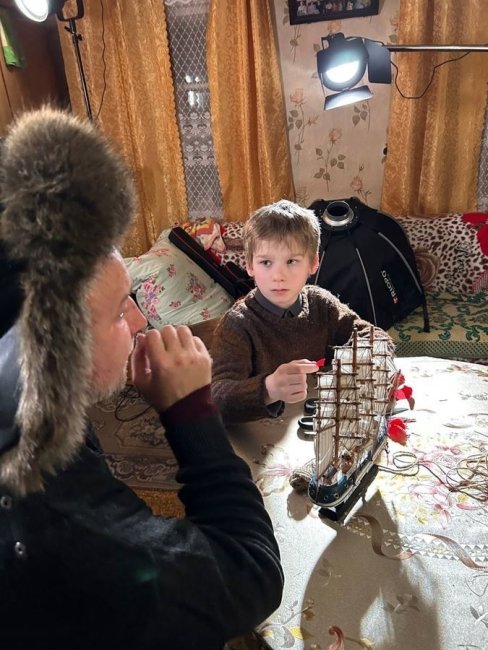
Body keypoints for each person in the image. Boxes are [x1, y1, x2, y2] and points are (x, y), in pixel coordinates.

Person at [0, 107, 283, 649]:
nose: (137, 320)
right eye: (116, 312)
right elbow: (248, 574)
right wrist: (192, 411)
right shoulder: (55, 522)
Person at [211, 199, 392, 424]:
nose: (278, 276)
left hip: (319, 425)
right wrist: (268, 389)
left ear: (313, 263)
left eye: (292, 261)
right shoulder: (237, 324)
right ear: (249, 265)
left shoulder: (321, 304)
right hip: (261, 436)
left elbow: (374, 337)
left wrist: (368, 360)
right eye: (266, 262)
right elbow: (216, 399)